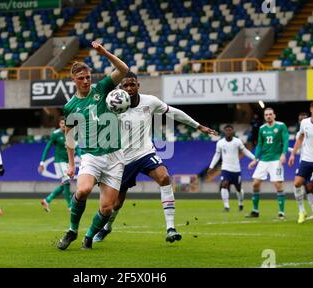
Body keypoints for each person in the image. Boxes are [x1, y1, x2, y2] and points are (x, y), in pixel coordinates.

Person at [93, 72, 217, 243]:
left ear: (138, 85)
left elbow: (174, 112)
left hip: (145, 152)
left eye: (132, 84)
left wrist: (199, 126)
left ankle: (171, 228)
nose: (129, 88)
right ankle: (107, 228)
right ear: (121, 87)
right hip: (123, 159)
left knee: (164, 177)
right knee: (116, 205)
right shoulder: (113, 105)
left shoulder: (150, 101)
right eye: (125, 85)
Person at [56, 41, 129, 250]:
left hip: (115, 156)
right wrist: (71, 163)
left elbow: (124, 70)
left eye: (88, 77)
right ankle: (72, 230)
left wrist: (104, 52)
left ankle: (88, 236)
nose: (86, 81)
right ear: (73, 80)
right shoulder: (70, 107)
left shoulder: (103, 88)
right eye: (81, 78)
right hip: (91, 156)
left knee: (107, 208)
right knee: (84, 189)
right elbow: (69, 136)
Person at [247, 108, 289, 219]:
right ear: (264, 117)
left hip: (276, 160)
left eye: (270, 114)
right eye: (266, 115)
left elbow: (285, 140)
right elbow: (260, 144)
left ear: (274, 115)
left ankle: (281, 212)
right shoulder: (262, 128)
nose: (268, 116)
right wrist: (255, 159)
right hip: (264, 160)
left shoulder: (281, 126)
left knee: (278, 184)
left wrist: (283, 154)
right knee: (255, 184)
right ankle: (255, 211)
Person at [208, 125, 255, 212]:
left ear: (233, 132)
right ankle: (226, 206)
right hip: (225, 168)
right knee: (224, 184)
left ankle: (240, 203)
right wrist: (211, 166)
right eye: (227, 130)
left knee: (238, 188)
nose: (228, 132)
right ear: (224, 132)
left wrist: (254, 158)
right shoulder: (220, 143)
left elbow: (245, 151)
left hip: (236, 169)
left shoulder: (237, 142)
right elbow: (217, 155)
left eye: (230, 130)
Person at [39, 117, 78, 212]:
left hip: (67, 162)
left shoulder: (71, 134)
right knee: (67, 182)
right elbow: (47, 148)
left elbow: (76, 148)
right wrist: (42, 162)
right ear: (59, 124)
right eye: (61, 123)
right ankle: (70, 206)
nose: (63, 125)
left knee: (65, 183)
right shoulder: (55, 134)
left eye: (65, 123)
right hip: (59, 161)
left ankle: (47, 200)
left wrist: (81, 156)